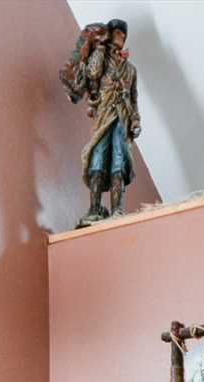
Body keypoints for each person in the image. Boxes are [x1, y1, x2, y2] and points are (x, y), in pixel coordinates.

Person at [65, 19, 140, 227]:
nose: (122, 39)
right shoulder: (101, 57)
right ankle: (94, 208)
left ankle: (117, 209)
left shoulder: (131, 70)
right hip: (104, 114)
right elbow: (93, 73)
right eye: (118, 34)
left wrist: (135, 121)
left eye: (124, 36)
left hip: (122, 118)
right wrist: (98, 48)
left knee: (119, 160)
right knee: (97, 157)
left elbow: (134, 99)